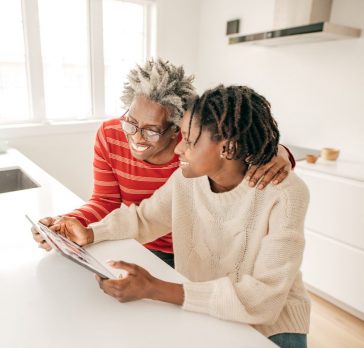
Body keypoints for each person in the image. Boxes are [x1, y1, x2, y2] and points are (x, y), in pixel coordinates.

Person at [51, 84, 310, 348]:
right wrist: (91, 232)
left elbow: (263, 299)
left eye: (189, 140)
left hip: (270, 327)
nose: (178, 150)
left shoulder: (285, 194)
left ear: (228, 148)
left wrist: (154, 288)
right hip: (206, 309)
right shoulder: (187, 180)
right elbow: (145, 219)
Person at [32, 58, 295, 268]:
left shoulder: (194, 153)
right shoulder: (111, 134)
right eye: (131, 122)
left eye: (151, 130)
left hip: (187, 253)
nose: (135, 137)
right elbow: (106, 202)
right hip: (129, 238)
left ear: (176, 129)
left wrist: (281, 152)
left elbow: (240, 148)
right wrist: (65, 223)